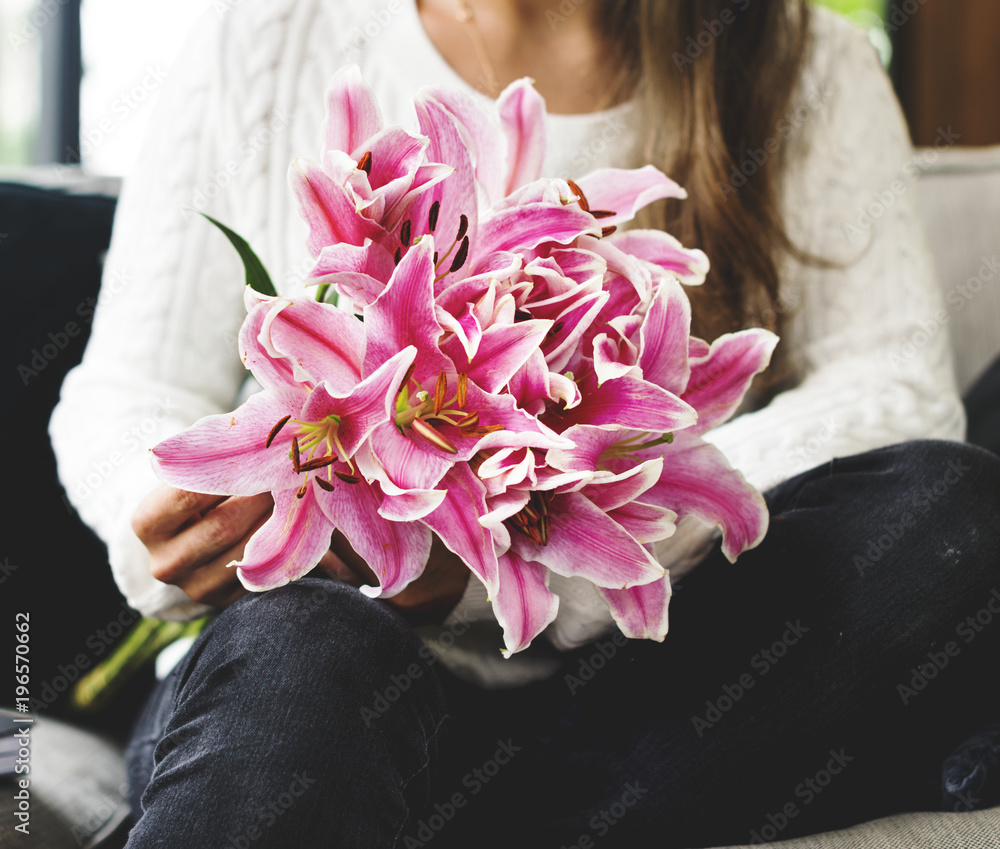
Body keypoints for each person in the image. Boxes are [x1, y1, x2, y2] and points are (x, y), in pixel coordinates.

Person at [50, 0, 1000, 846]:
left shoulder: (798, 54)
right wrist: (166, 515)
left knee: (950, 512)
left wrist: (543, 533)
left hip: (643, 688)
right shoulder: (266, 32)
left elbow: (894, 388)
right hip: (334, 662)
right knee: (304, 651)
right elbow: (128, 386)